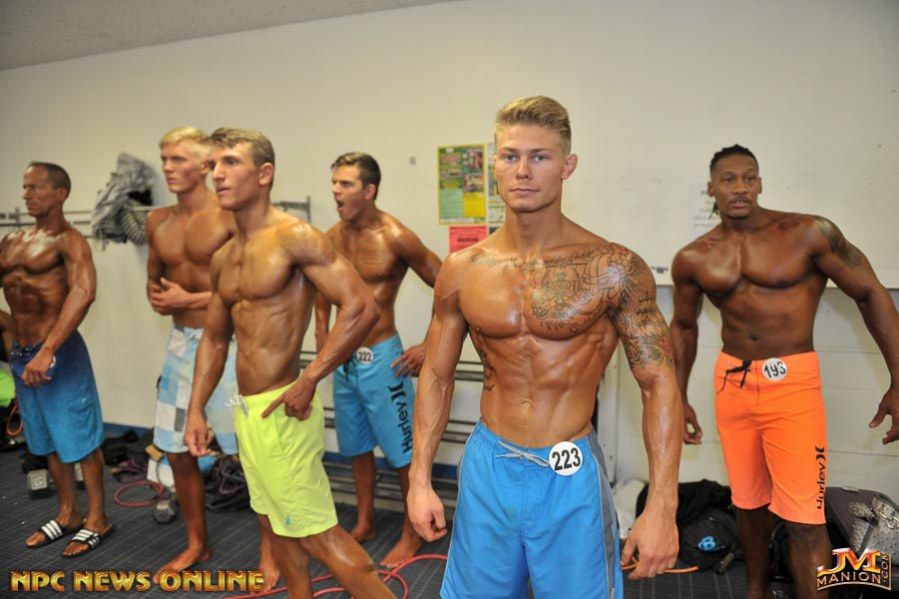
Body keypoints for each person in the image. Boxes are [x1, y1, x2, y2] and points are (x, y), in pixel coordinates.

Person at [407, 96, 682, 598]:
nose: (523, 171)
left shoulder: (613, 267)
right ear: (494, 164)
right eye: (510, 156)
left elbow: (658, 381)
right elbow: (437, 375)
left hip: (569, 471)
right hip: (488, 465)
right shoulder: (463, 269)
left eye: (540, 157)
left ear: (567, 166)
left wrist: (662, 507)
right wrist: (419, 479)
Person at [669, 144, 899, 599]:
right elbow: (683, 327)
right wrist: (679, 396)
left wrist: (898, 377)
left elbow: (870, 292)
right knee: (747, 503)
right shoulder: (694, 257)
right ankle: (756, 592)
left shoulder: (807, 233)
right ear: (711, 189)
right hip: (732, 384)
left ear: (760, 182)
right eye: (729, 179)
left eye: (748, 177)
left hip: (792, 385)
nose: (740, 187)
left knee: (804, 518)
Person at [183, 128, 393, 599]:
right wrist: (196, 409)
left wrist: (310, 378)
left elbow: (361, 307)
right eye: (214, 164)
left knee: (319, 536)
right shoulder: (224, 256)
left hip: (284, 410)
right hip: (249, 412)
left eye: (231, 162)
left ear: (264, 174)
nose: (218, 174)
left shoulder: (294, 237)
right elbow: (214, 338)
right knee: (278, 529)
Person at [145, 127, 276, 586]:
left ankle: (270, 549)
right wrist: (164, 299)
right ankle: (197, 542)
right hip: (181, 345)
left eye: (178, 159)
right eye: (164, 158)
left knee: (251, 453)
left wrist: (192, 298)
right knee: (176, 448)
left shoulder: (228, 217)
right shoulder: (156, 221)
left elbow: (247, 287)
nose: (168, 167)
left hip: (230, 344)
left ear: (203, 166)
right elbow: (155, 280)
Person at [315, 151, 441, 566]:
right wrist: (321, 339)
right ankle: (366, 520)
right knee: (355, 446)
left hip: (383, 359)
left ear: (369, 190)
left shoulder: (396, 237)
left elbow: (448, 285)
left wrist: (429, 344)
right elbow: (321, 292)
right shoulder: (331, 237)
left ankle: (412, 532)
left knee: (403, 453)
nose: (336, 191)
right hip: (344, 359)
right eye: (334, 183)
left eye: (345, 184)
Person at [0, 162, 113, 556]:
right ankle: (69, 513)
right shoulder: (11, 240)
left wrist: (48, 349)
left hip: (60, 354)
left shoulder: (70, 241)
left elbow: (84, 292)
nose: (26, 194)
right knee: (46, 440)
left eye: (36, 187)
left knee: (81, 441)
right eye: (25, 187)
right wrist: (10, 331)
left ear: (61, 193)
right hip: (21, 354)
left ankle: (97, 518)